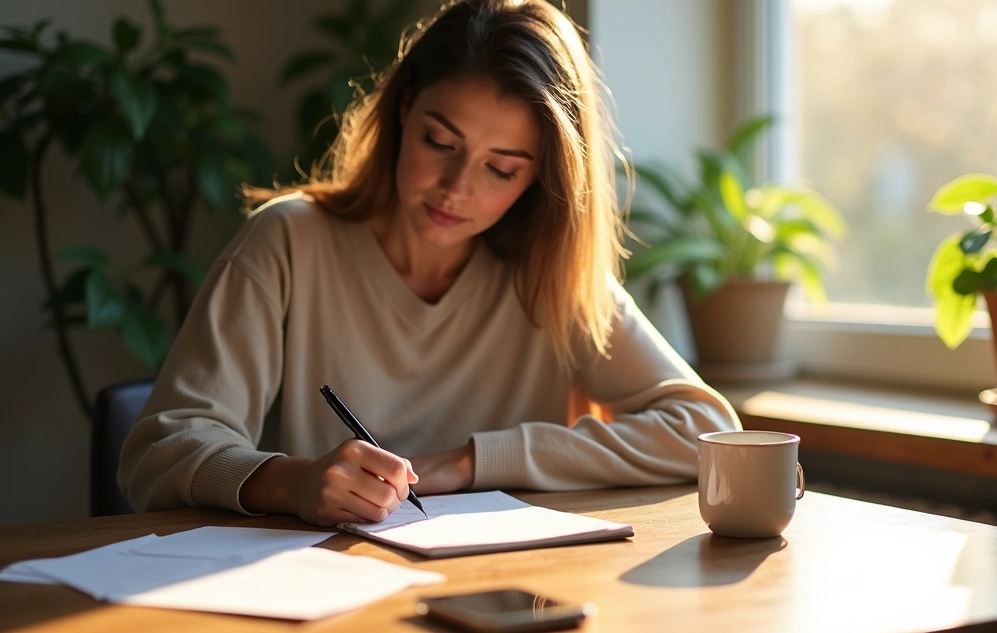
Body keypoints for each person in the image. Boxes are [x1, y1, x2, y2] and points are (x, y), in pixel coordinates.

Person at [118, 0, 740, 527]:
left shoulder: (548, 274)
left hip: (503, 587)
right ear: (404, 108)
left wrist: (472, 462)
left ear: (541, 177)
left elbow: (707, 427)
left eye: (501, 168)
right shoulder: (288, 242)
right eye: (440, 143)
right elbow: (159, 454)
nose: (455, 187)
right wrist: (297, 482)